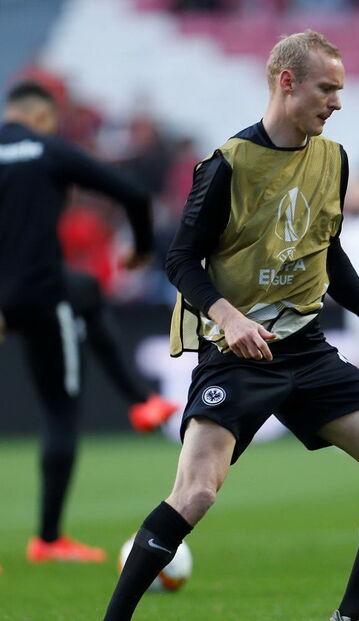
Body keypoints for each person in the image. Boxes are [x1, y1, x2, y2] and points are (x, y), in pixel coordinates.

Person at [100, 31, 359, 621]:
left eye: (340, 90)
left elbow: (326, 251)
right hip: (236, 354)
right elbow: (179, 258)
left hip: (306, 349)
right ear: (287, 82)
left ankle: (349, 615)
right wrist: (226, 317)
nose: (337, 102)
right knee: (197, 492)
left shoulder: (333, 159)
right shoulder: (228, 164)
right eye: (327, 88)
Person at [0, 81, 153, 564]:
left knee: (85, 290)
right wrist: (142, 248)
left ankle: (141, 400)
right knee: (59, 415)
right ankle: (48, 539)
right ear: (43, 117)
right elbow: (131, 193)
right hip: (44, 298)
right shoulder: (49, 150)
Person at [64, 269, 178, 432]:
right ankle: (143, 400)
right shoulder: (82, 286)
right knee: (60, 415)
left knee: (61, 413)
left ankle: (143, 400)